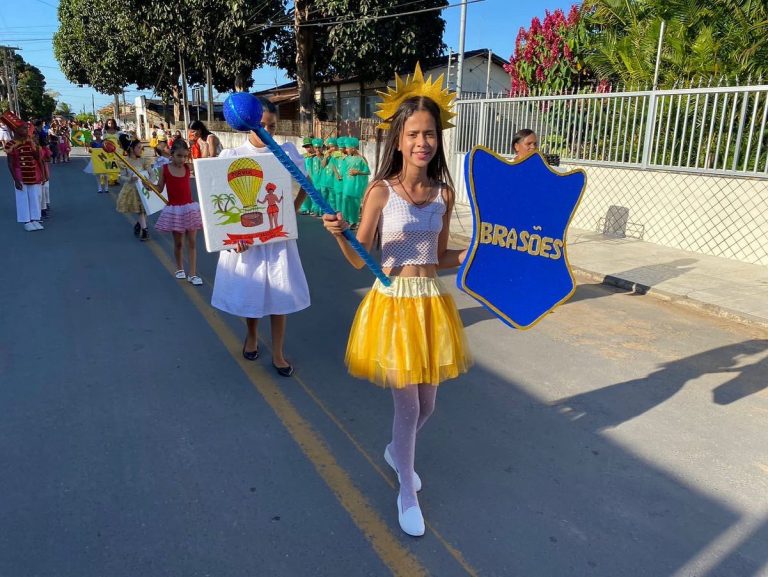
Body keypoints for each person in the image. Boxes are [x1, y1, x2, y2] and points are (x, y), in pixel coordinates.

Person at [322, 91, 472, 537]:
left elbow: (439, 256)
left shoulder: (444, 194)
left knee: (428, 405)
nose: (422, 142)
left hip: (431, 303)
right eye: (413, 134)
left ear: (438, 139)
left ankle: (395, 451)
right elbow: (359, 258)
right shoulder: (381, 191)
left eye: (430, 134)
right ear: (399, 140)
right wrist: (341, 234)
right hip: (392, 304)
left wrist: (473, 254)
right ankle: (407, 489)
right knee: (407, 405)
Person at [211, 96, 310, 378]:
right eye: (261, 125)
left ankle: (278, 352)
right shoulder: (231, 156)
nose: (267, 130)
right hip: (248, 244)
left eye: (272, 125)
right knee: (251, 293)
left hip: (278, 241)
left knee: (280, 295)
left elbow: (306, 185)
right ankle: (252, 335)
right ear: (249, 123)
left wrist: (290, 214)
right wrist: (232, 240)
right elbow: (221, 202)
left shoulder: (286, 152)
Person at [154, 139, 204, 285]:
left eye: (185, 156)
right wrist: (149, 185)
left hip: (189, 209)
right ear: (172, 154)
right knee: (179, 243)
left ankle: (192, 274)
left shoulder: (188, 168)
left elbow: (206, 169)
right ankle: (180, 268)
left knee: (192, 242)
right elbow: (159, 188)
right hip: (175, 210)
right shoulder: (164, 169)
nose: (182, 159)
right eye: (179, 156)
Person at [3, 112, 47, 231]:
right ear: (16, 130)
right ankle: (26, 221)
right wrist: (15, 180)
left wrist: (36, 148)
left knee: (35, 197)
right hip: (20, 175)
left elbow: (38, 158)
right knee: (23, 198)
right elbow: (10, 163)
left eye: (26, 128)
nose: (26, 130)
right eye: (23, 128)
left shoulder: (30, 141)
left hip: (34, 173)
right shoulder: (11, 144)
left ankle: (35, 219)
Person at [115, 137, 151, 241]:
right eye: (138, 147)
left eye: (141, 147)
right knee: (140, 211)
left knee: (144, 210)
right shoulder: (125, 161)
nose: (141, 149)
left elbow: (151, 173)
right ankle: (145, 231)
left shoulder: (143, 160)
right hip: (132, 189)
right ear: (131, 149)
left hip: (144, 188)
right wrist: (130, 179)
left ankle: (139, 225)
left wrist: (150, 182)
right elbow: (122, 176)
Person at [341, 137, 369, 229]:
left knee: (354, 204)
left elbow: (367, 171)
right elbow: (343, 173)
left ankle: (354, 222)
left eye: (347, 148)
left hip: (356, 186)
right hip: (346, 185)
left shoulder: (361, 159)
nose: (346, 150)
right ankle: (345, 220)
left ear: (353, 148)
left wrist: (358, 172)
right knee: (345, 201)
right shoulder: (346, 159)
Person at [85, 128, 110, 193]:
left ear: (101, 134)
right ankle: (99, 188)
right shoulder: (92, 142)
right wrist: (90, 149)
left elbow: (107, 149)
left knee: (105, 174)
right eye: (96, 134)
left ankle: (106, 187)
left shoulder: (104, 142)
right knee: (98, 174)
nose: (97, 135)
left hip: (104, 159)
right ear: (94, 135)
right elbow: (90, 150)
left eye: (99, 134)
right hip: (96, 160)